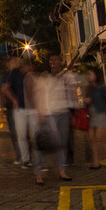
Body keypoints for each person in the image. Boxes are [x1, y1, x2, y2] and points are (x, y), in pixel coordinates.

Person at [32, 54, 73, 185]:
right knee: (43, 143)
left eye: (55, 59)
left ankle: (62, 170)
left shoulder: (66, 76)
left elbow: (71, 93)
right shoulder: (45, 77)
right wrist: (40, 111)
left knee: (62, 143)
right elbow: (39, 94)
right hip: (49, 113)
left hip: (63, 112)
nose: (53, 62)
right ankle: (38, 173)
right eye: (51, 60)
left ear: (61, 62)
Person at [3, 57, 34, 167]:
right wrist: (14, 99)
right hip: (19, 108)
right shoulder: (13, 73)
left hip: (32, 108)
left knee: (35, 134)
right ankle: (25, 159)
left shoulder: (31, 74)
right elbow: (5, 88)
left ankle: (38, 160)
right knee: (21, 135)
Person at [84, 67, 106, 169]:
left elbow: (99, 98)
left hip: (100, 113)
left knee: (104, 139)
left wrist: (90, 98)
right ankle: (96, 162)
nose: (89, 76)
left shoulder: (101, 86)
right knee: (92, 139)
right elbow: (86, 101)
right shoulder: (89, 87)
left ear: (96, 75)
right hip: (91, 115)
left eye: (91, 74)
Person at [0, 56, 23, 165]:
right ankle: (19, 156)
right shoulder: (5, 77)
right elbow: (2, 92)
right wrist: (1, 108)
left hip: (23, 107)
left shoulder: (22, 75)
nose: (15, 63)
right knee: (14, 132)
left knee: (23, 132)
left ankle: (26, 155)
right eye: (12, 62)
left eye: (17, 61)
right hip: (11, 108)